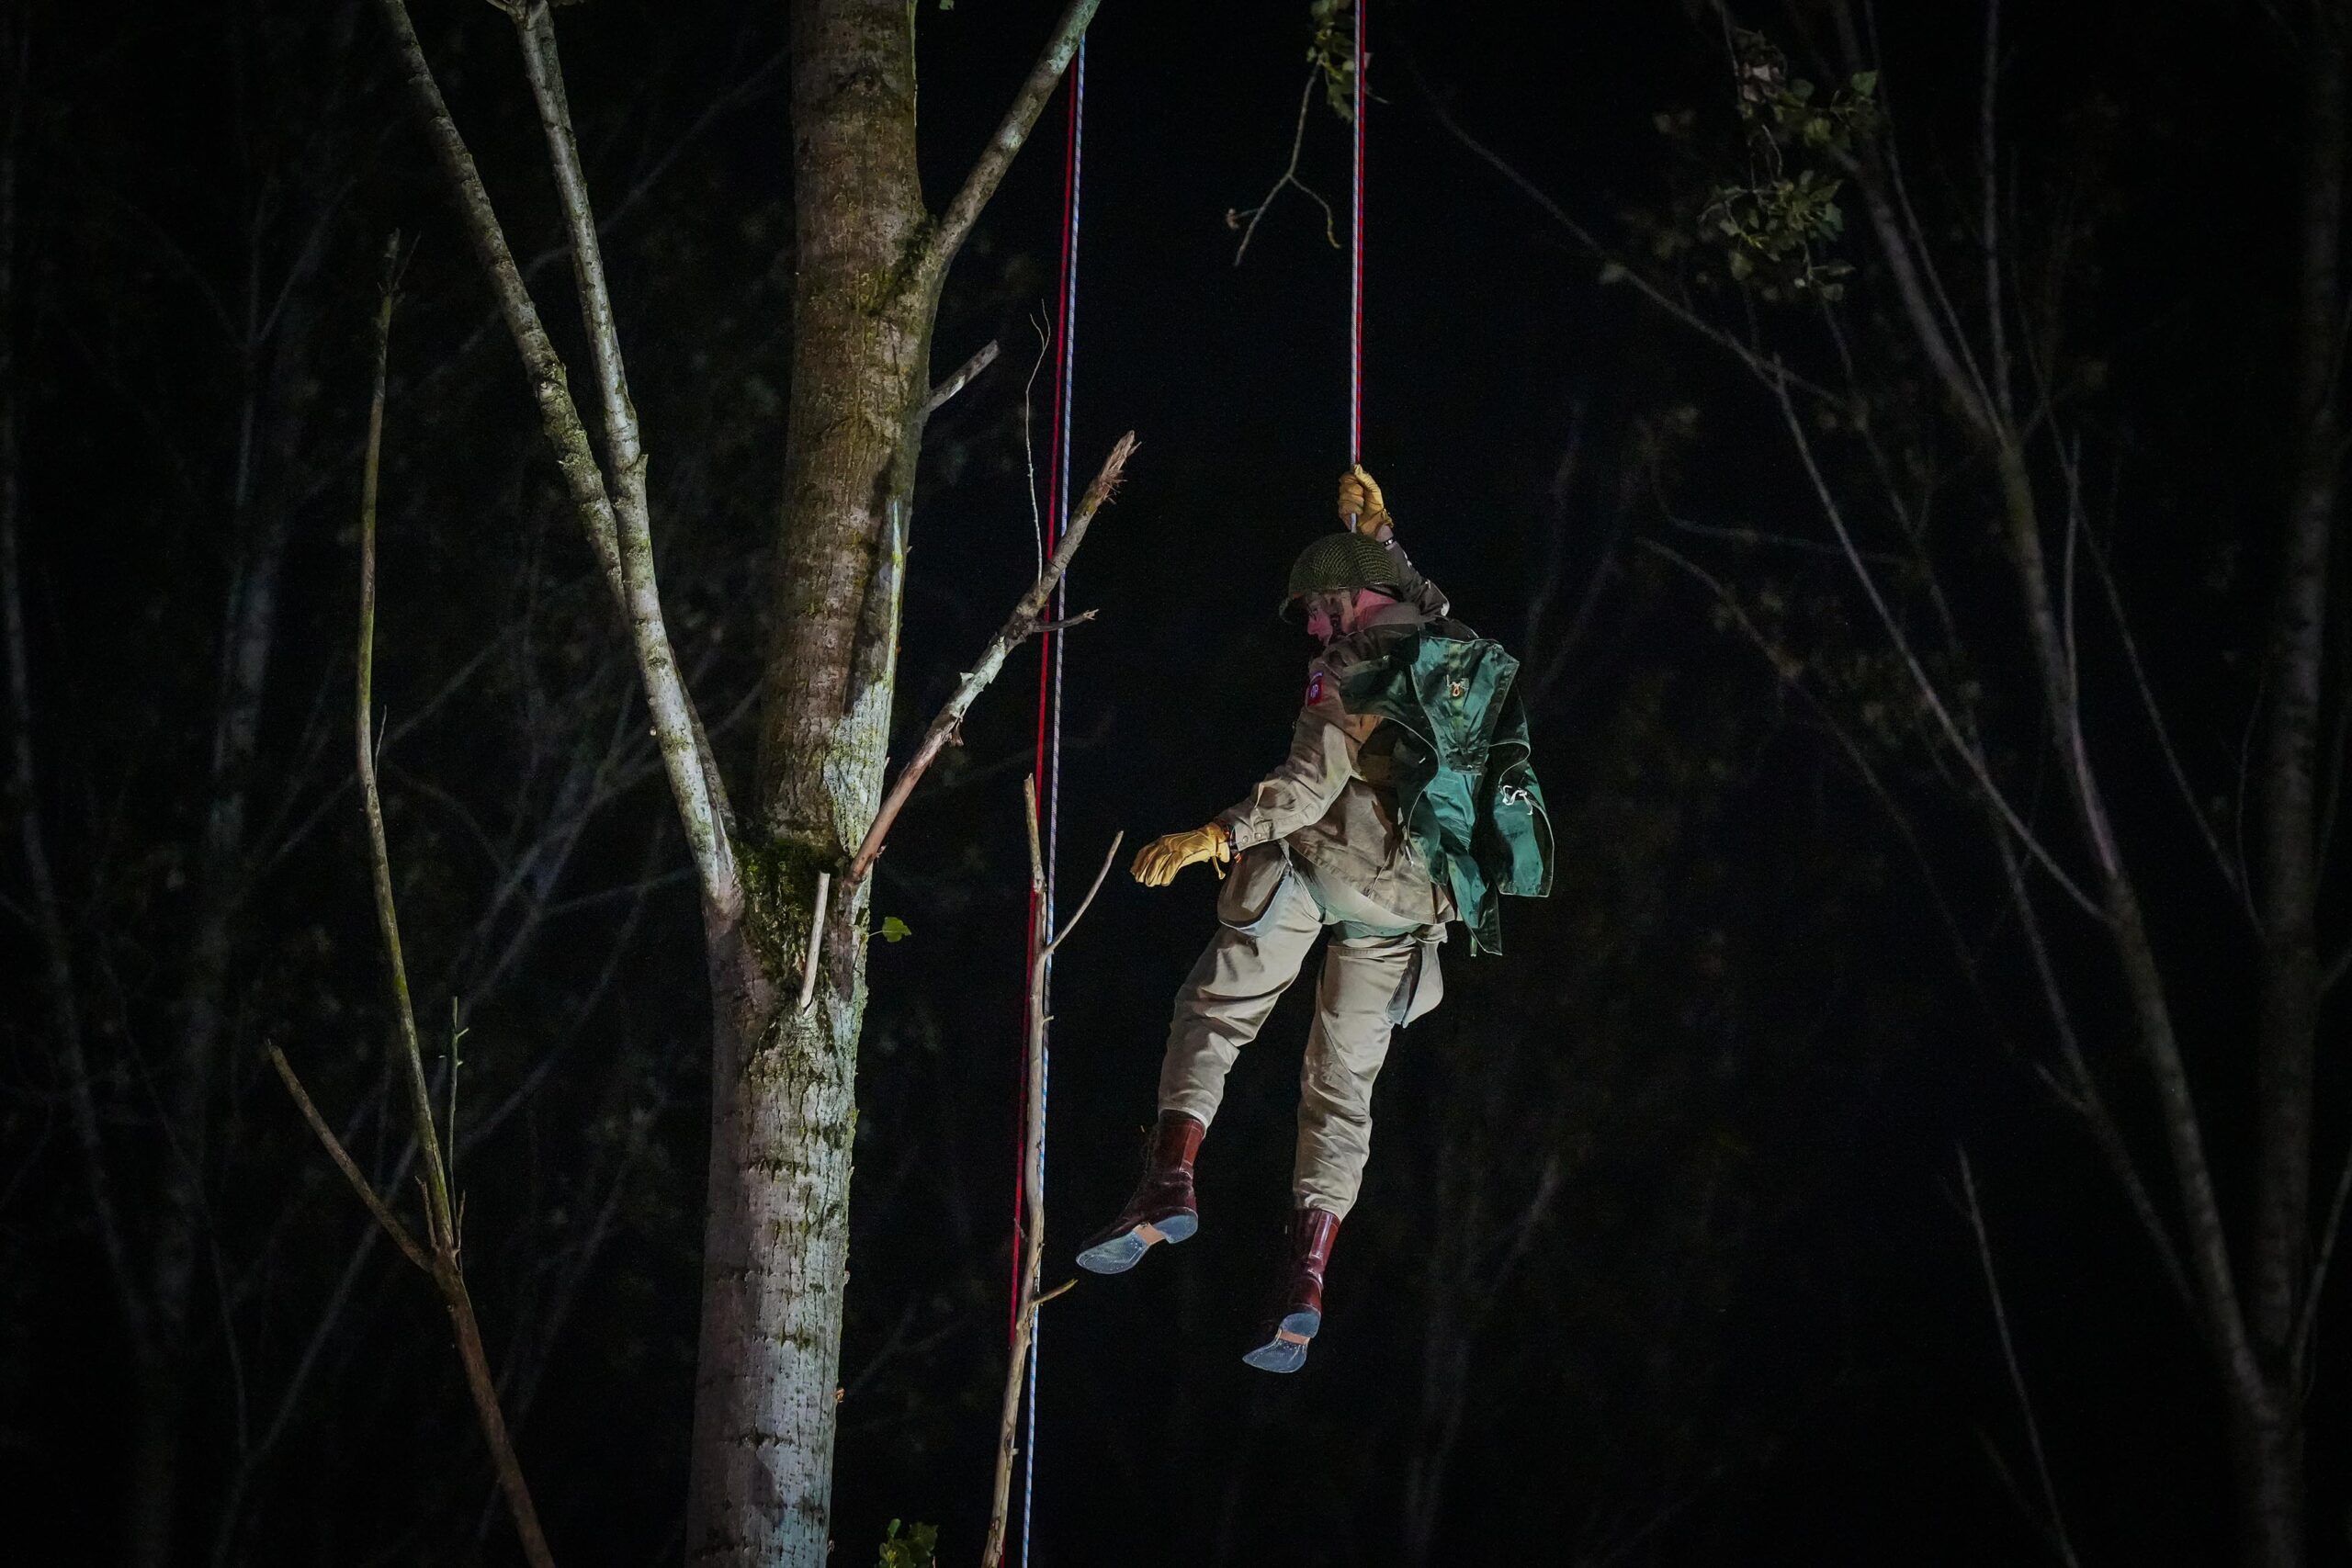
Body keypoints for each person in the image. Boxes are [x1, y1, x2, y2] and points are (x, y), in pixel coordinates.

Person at [1077, 466, 1551, 1373]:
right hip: (1415, 910)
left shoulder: (1350, 673)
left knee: (1215, 1008)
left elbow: (1308, 784)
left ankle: (1170, 1175)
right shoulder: (1458, 653)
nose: (1314, 629)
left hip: (1322, 866)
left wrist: (1216, 836)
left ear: (1346, 604)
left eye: (1319, 613)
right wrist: (1383, 532)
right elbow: (1413, 597)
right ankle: (1305, 1277)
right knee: (1342, 1090)